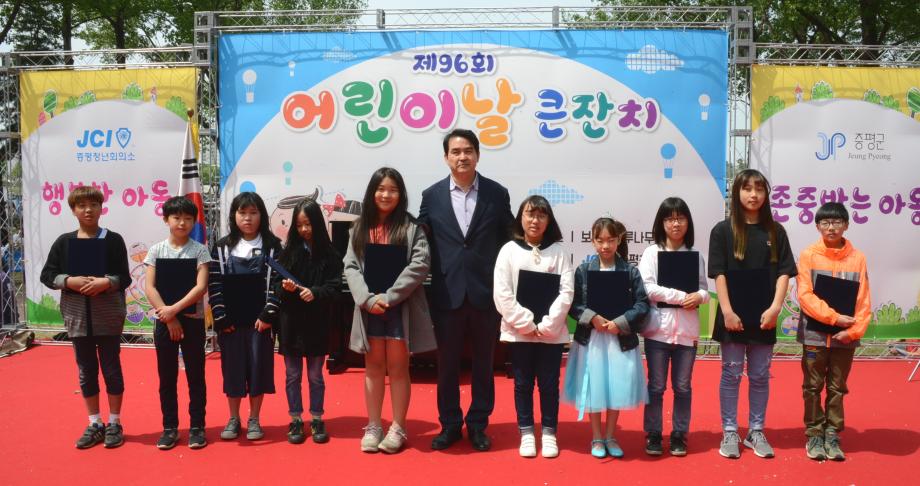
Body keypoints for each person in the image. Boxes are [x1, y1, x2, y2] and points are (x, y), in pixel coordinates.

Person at [419, 128, 514, 452]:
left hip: (485, 293)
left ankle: (477, 424)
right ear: (446, 157)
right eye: (456, 152)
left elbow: (510, 238)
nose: (462, 157)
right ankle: (449, 424)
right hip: (447, 293)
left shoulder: (496, 194)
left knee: (484, 364)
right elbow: (419, 237)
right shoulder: (431, 196)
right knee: (446, 366)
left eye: (468, 151)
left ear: (477, 154)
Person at [344, 167, 436, 454]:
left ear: (401, 194)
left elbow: (420, 264)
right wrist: (367, 299)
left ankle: (398, 427)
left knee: (398, 368)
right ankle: (374, 425)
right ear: (372, 192)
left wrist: (390, 296)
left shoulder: (411, 229)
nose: (386, 195)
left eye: (393, 190)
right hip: (369, 308)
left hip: (399, 308)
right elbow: (350, 265)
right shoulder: (359, 228)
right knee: (372, 368)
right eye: (381, 189)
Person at [708, 169, 796, 459]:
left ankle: (756, 431)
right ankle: (730, 431)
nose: (753, 195)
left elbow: (784, 273)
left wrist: (775, 309)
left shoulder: (776, 231)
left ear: (766, 194)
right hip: (732, 316)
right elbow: (719, 274)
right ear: (737, 193)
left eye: (759, 189)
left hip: (764, 317)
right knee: (731, 374)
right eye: (747, 188)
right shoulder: (722, 231)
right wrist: (727, 311)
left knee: (759, 376)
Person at [40, 186, 131, 449]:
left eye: (93, 205)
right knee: (86, 370)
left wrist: (107, 282)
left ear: (101, 208)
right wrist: (69, 280)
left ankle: (115, 422)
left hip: (108, 316)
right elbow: (47, 274)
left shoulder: (113, 240)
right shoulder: (64, 242)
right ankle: (95, 423)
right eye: (81, 206)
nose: (88, 210)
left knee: (111, 369)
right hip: (77, 316)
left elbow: (124, 277)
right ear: (73, 210)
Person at [494, 195, 573, 458]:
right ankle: (527, 432)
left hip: (551, 334)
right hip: (520, 334)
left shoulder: (559, 253)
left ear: (549, 220)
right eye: (530, 214)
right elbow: (502, 293)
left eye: (541, 215)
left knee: (549, 384)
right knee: (523, 384)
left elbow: (566, 292)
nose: (535, 220)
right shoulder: (508, 250)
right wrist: (526, 323)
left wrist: (547, 325)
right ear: (521, 217)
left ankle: (549, 433)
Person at [564, 217, 649, 459]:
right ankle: (596, 437)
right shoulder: (583, 271)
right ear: (592, 241)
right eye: (600, 240)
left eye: (610, 240)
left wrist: (620, 323)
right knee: (594, 388)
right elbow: (574, 304)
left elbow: (642, 304)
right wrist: (592, 317)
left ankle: (611, 436)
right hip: (591, 340)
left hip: (619, 340)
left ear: (619, 240)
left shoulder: (630, 271)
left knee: (616, 387)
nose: (605, 246)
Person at [261, 198, 342, 444]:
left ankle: (317, 417)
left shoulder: (330, 255)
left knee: (316, 375)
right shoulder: (286, 254)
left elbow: (335, 289)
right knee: (292, 375)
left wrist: (315, 292)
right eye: (299, 225)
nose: (304, 229)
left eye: (308, 224)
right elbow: (276, 287)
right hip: (291, 324)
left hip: (318, 324)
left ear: (318, 223)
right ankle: (295, 418)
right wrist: (285, 288)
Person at [796, 202, 871, 461]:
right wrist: (835, 318)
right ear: (817, 226)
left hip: (845, 337)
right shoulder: (808, 255)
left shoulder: (858, 258)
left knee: (838, 387)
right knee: (812, 386)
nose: (831, 227)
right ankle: (814, 434)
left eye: (837, 222)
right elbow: (805, 295)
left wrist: (853, 331)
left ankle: (832, 434)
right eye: (825, 223)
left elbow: (863, 299)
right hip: (815, 335)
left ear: (846, 225)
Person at [638, 198, 709, 456]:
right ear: (661, 223)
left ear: (688, 222)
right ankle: (653, 433)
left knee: (683, 387)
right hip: (658, 330)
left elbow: (704, 289)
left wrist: (699, 297)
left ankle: (679, 434)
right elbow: (648, 288)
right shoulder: (651, 253)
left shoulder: (695, 254)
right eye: (669, 218)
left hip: (687, 332)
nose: (675, 224)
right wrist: (681, 296)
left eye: (680, 218)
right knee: (656, 386)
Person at [208, 192, 282, 442]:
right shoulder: (221, 247)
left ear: (261, 215)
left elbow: (278, 284)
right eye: (242, 213)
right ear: (234, 215)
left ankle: (254, 418)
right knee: (232, 369)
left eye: (253, 213)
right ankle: (233, 418)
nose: (248, 218)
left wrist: (269, 313)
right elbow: (214, 283)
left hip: (260, 323)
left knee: (258, 369)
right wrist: (221, 316)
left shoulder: (273, 246)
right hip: (230, 323)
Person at [144, 196, 211, 450]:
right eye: (176, 217)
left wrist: (174, 310)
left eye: (188, 218)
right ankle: (170, 428)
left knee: (196, 376)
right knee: (167, 377)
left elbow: (200, 287)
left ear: (194, 221)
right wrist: (169, 316)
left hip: (192, 322)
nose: (182, 223)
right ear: (166, 220)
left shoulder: (200, 250)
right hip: (164, 322)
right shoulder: (156, 251)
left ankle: (197, 427)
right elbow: (150, 287)